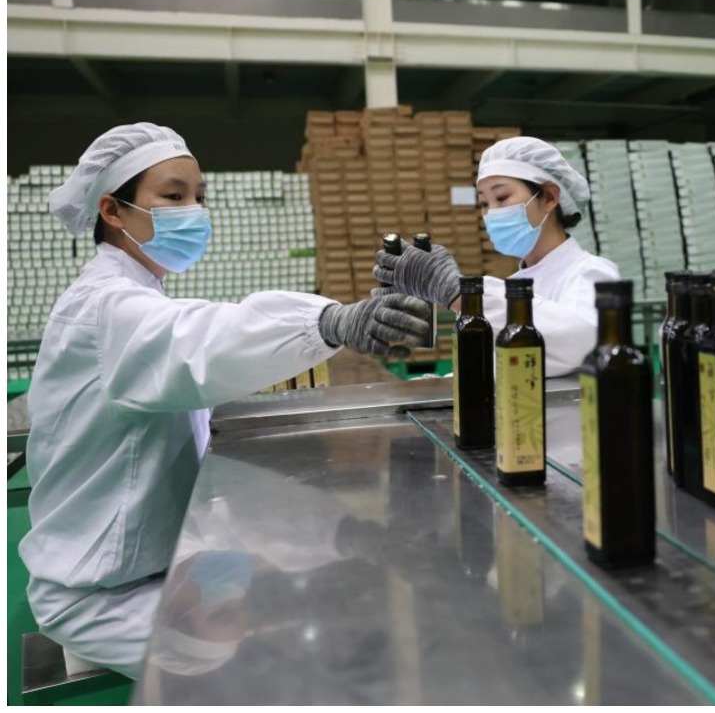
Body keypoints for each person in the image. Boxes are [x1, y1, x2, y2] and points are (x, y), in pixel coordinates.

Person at [19, 123, 431, 682]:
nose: (195, 210)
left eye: (199, 196)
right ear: (112, 211)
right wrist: (329, 321)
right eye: (173, 196)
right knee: (263, 674)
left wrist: (346, 535)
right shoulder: (104, 308)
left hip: (158, 564)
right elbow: (202, 340)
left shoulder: (138, 296)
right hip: (99, 594)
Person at [374, 136, 621, 376]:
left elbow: (585, 340)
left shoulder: (591, 273)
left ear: (549, 197)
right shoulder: (517, 282)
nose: (491, 213)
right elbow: (500, 365)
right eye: (483, 204)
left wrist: (464, 295)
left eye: (502, 197)